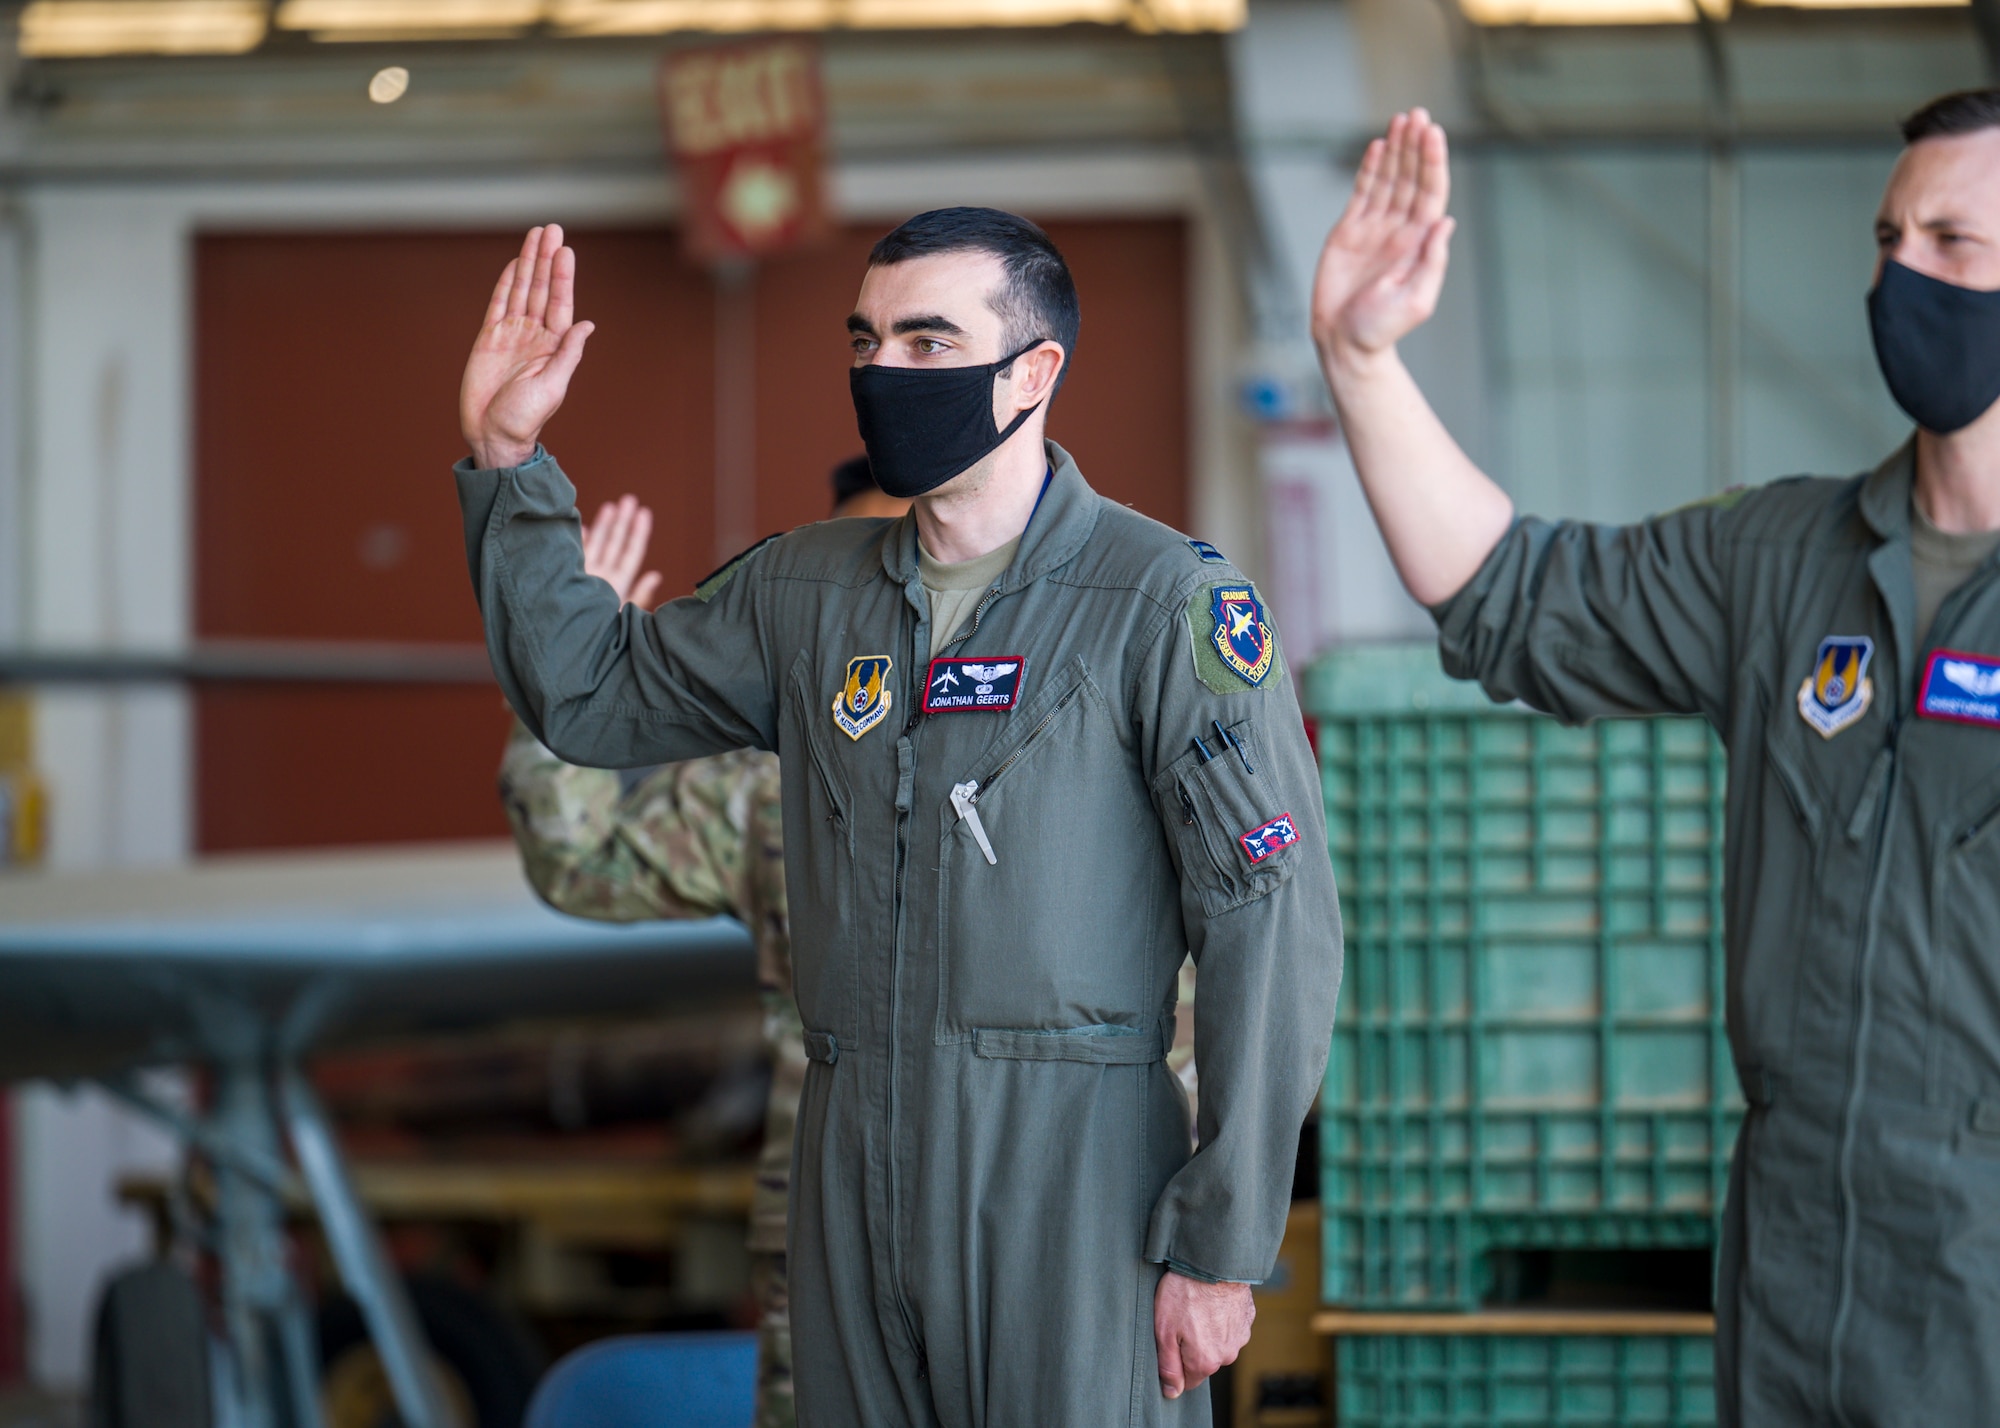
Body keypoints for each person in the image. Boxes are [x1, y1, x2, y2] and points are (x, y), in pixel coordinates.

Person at [453, 206, 1342, 1425]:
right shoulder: (802, 591)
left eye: (929, 344)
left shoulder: (1160, 605)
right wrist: (510, 465)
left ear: (1034, 373)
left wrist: (1221, 1240)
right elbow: (589, 696)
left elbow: (1269, 918)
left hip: (1073, 1164)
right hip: (848, 1147)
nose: (884, 373)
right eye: (866, 341)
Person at [1312, 91, 2000, 1426]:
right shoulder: (1786, 559)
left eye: (1953, 243)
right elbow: (1512, 596)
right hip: (1799, 1254)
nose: (1900, 275)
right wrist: (1359, 359)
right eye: (1888, 236)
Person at [498, 457, 908, 1428]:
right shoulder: (774, 781)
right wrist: (563, 656)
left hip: (1029, 1226)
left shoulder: (1070, 743)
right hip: (825, 1236)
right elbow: (579, 858)